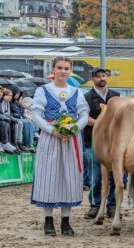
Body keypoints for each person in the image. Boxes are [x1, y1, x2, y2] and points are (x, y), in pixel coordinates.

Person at [30, 56, 89, 236]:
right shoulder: (43, 90)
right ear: (53, 70)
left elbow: (84, 114)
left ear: (70, 70)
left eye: (66, 68)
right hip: (50, 139)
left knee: (69, 177)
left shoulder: (76, 91)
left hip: (71, 140)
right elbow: (36, 115)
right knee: (49, 176)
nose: (63, 71)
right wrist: (52, 130)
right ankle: (48, 220)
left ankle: (65, 221)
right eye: (60, 68)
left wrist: (73, 129)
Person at [82, 67, 121, 220]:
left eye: (103, 75)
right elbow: (84, 118)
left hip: (114, 142)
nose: (101, 78)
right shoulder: (86, 97)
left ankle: (112, 205)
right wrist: (103, 123)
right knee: (96, 176)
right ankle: (95, 205)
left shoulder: (116, 96)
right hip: (93, 142)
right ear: (92, 79)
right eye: (97, 76)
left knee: (116, 175)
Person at [1, 88, 25, 153]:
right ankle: (6, 143)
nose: (10, 97)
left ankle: (16, 142)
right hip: (5, 118)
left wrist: (22, 107)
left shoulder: (8, 103)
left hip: (8, 118)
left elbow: (8, 113)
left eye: (11, 95)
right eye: (8, 95)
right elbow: (4, 113)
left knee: (18, 122)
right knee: (6, 123)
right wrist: (10, 118)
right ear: (4, 95)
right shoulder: (4, 102)